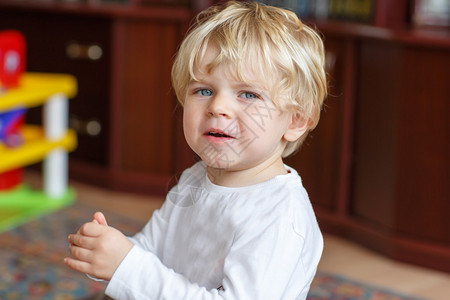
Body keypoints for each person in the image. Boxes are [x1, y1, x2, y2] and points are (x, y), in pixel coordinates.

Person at [64, 1, 327, 299]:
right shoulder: (195, 177)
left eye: (248, 94)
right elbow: (152, 249)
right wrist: (109, 255)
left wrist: (129, 268)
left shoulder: (280, 217)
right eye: (204, 90)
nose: (218, 107)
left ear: (295, 120)